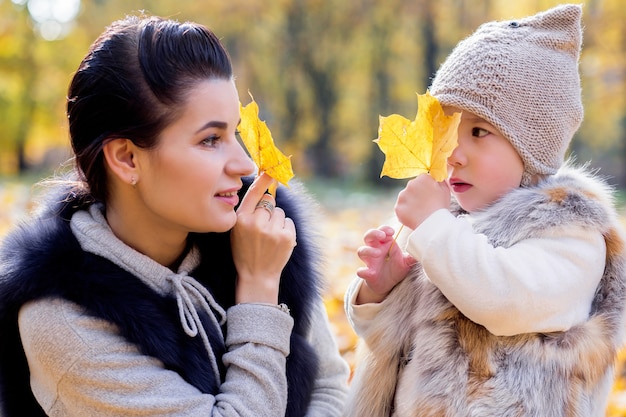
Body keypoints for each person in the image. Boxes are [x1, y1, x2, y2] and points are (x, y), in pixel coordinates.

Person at [0, 15, 349, 417]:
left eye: (236, 133)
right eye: (211, 140)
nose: (242, 163)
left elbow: (328, 385)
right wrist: (258, 291)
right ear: (127, 158)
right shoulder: (65, 320)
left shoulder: (257, 234)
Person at [344, 4, 626, 417]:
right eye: (447, 132)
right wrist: (383, 293)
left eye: (479, 131)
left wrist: (434, 229)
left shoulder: (569, 232)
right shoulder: (448, 220)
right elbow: (391, 346)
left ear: (534, 148)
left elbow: (505, 301)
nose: (454, 154)